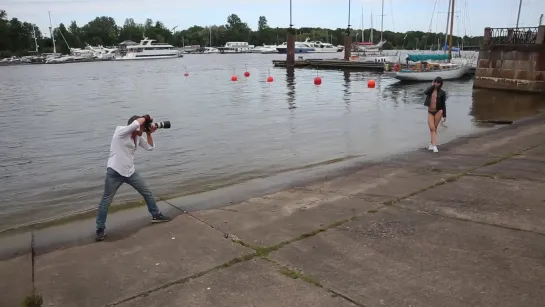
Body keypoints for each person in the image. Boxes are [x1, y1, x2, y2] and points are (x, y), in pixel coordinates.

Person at [95, 114, 171, 241]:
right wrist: (146, 118)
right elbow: (136, 124)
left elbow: (150, 147)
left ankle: (156, 215)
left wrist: (149, 133)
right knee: (106, 200)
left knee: (147, 192)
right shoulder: (120, 132)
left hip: (130, 172)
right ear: (133, 127)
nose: (142, 129)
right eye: (141, 127)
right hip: (115, 172)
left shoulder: (137, 136)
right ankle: (100, 228)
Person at [424, 77, 447, 153]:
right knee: (432, 128)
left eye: (438, 82)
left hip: (438, 111)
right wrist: (432, 86)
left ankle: (433, 145)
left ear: (440, 84)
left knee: (434, 128)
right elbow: (425, 92)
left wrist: (444, 116)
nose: (436, 83)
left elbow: (443, 105)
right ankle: (432, 144)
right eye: (435, 82)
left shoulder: (442, 93)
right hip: (430, 112)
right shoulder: (430, 90)